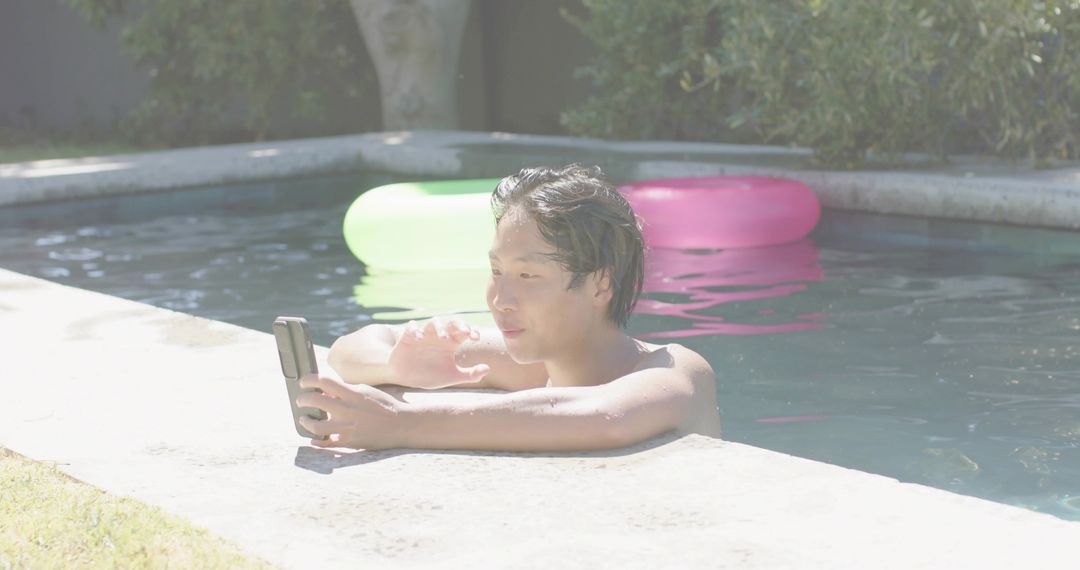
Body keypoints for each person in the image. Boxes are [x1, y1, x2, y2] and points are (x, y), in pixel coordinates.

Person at [297, 164, 722, 451]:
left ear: (600, 283)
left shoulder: (676, 371)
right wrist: (397, 367)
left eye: (528, 276)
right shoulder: (532, 366)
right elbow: (348, 350)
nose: (500, 299)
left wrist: (402, 422)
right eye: (496, 271)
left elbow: (603, 416)